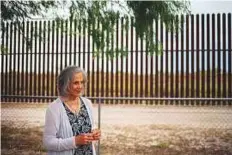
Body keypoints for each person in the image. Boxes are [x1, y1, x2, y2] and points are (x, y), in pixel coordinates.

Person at [43, 65, 101, 155]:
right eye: (76, 83)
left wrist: (95, 133)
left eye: (82, 82)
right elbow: (48, 142)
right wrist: (75, 141)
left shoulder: (87, 103)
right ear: (65, 84)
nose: (80, 86)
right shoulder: (54, 109)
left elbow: (91, 127)